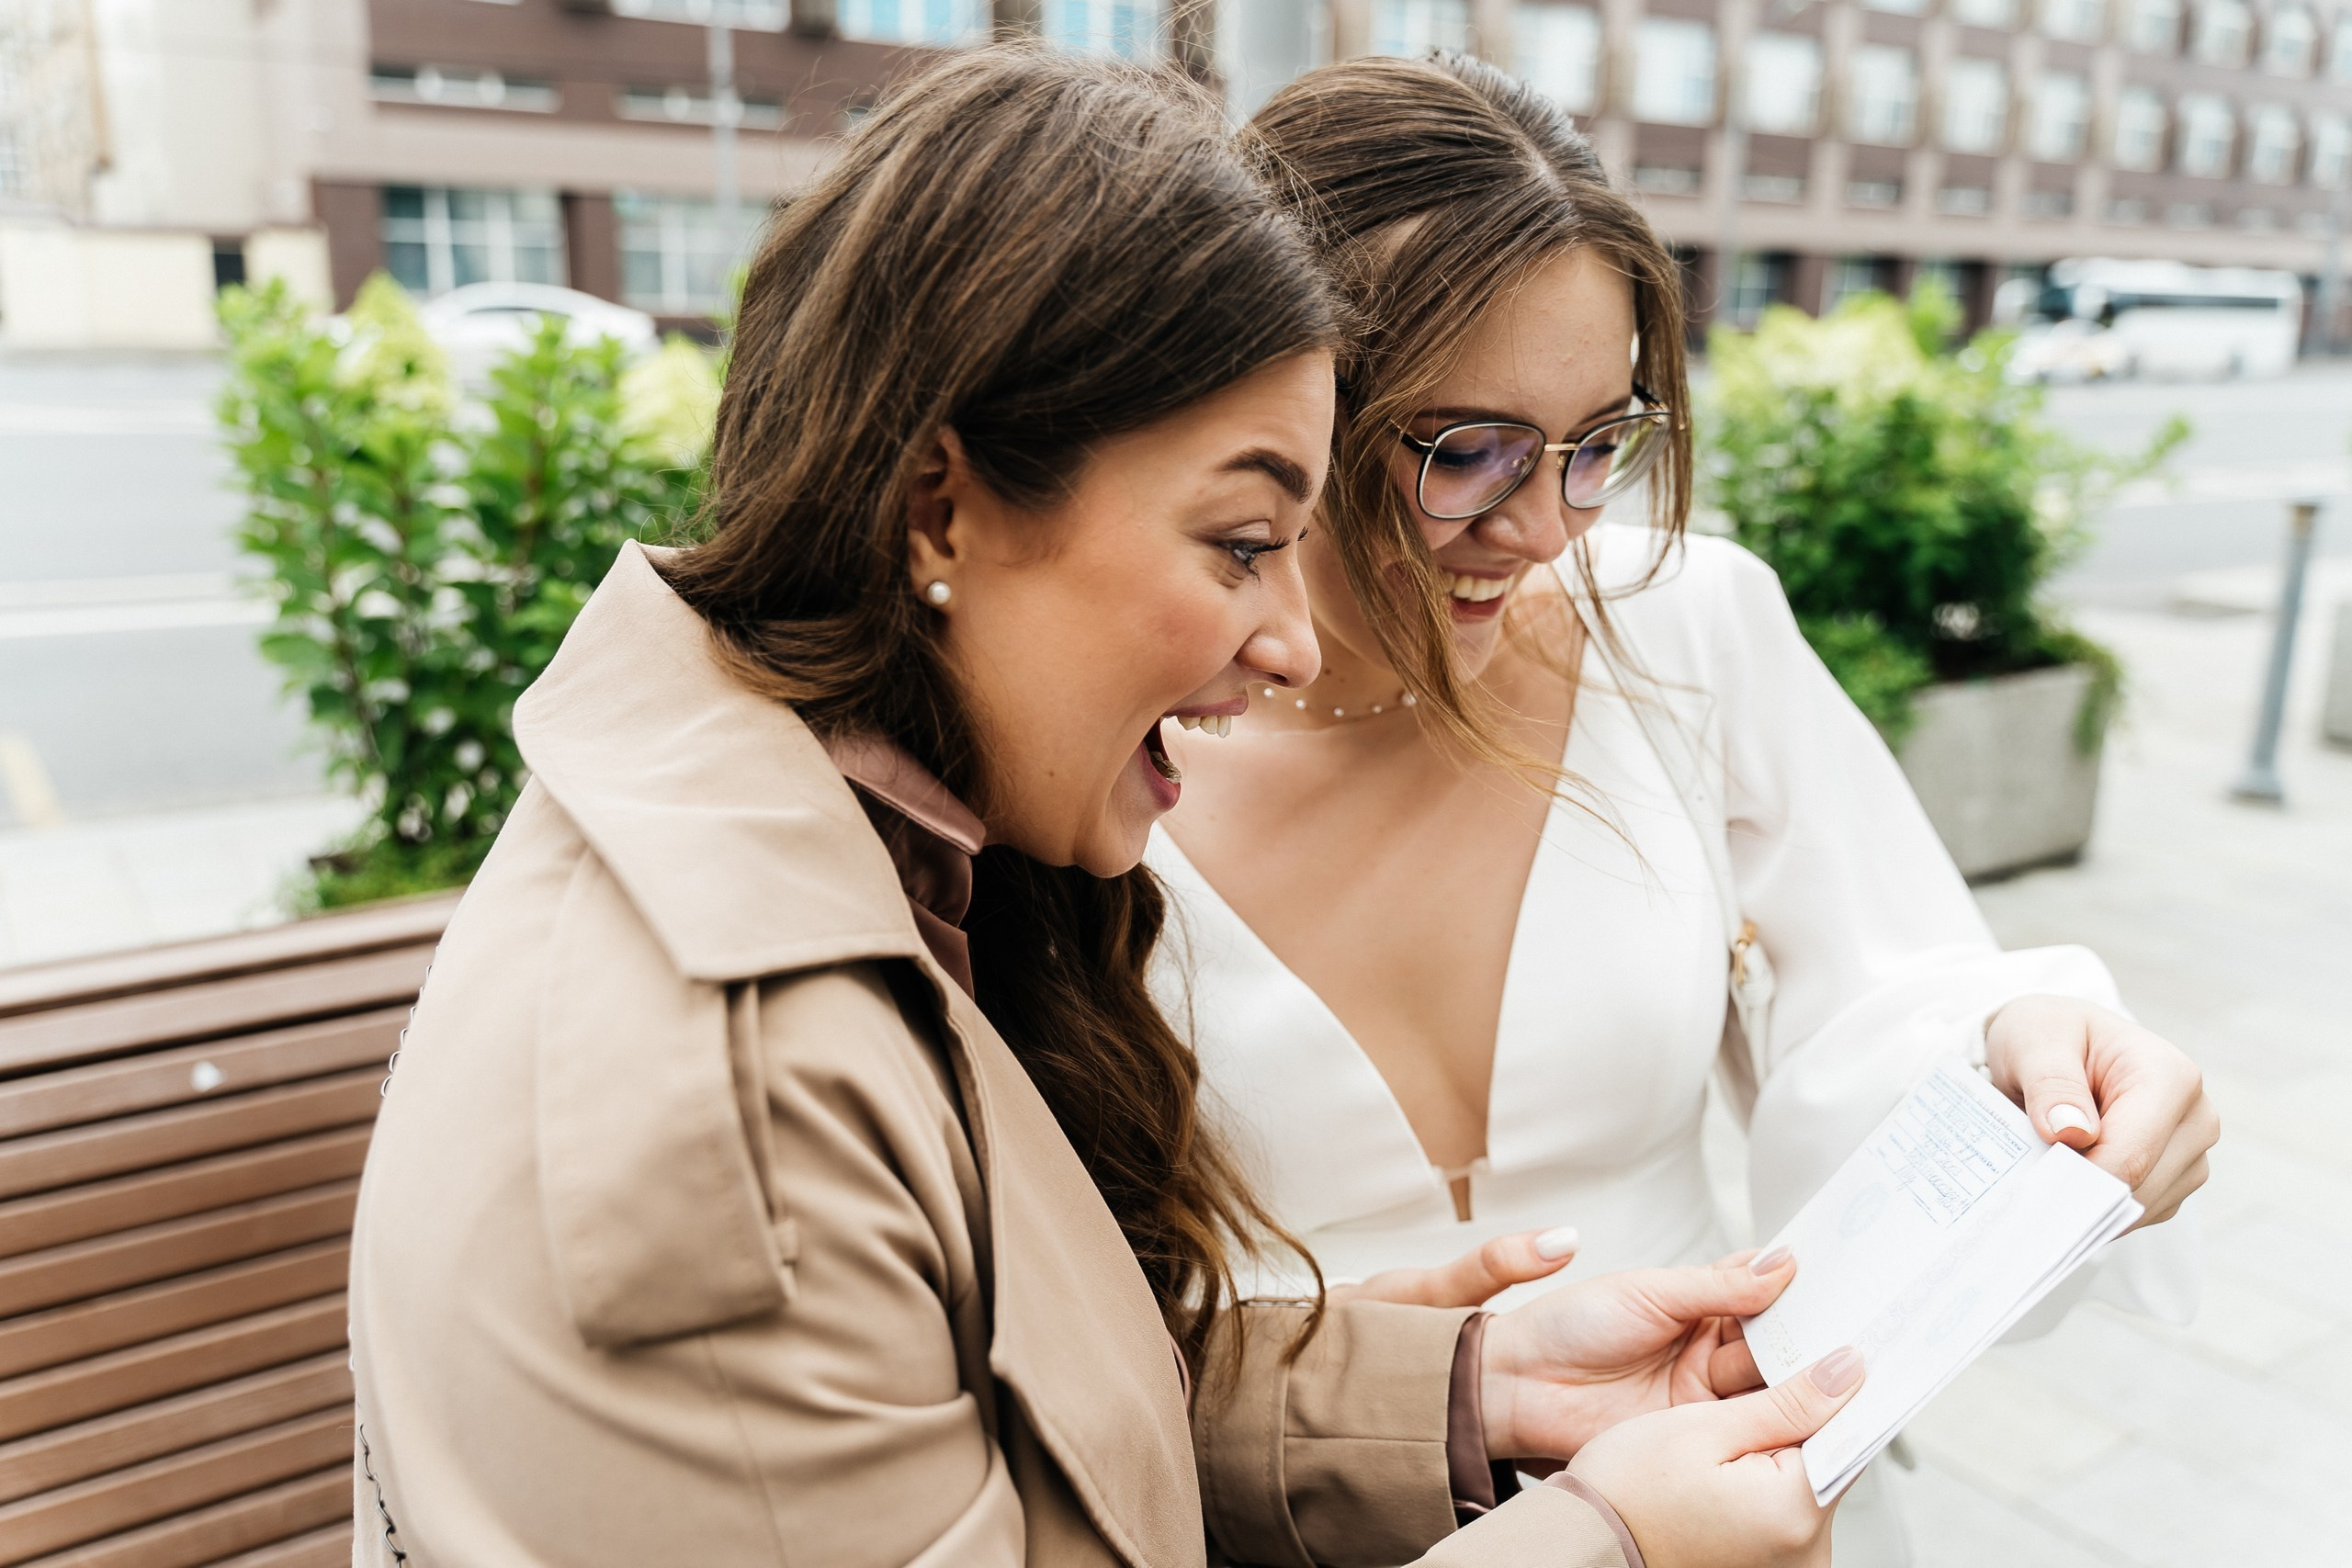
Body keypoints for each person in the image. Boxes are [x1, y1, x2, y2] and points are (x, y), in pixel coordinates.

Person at [345, 47, 1875, 1568]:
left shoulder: (832, 842)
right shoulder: (731, 1118)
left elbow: (999, 1403)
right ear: (943, 507)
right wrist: (1609, 1541)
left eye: (1599, 450)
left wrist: (1468, 1392)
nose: (1289, 642)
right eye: (1238, 542)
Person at [1147, 53, 2220, 1566]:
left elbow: (1882, 992)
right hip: (1311, 1517)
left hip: (1743, 1475)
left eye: (1600, 444)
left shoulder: (1687, 626)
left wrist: (2026, 1058)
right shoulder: (1106, 756)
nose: (1546, 526)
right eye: (1467, 452)